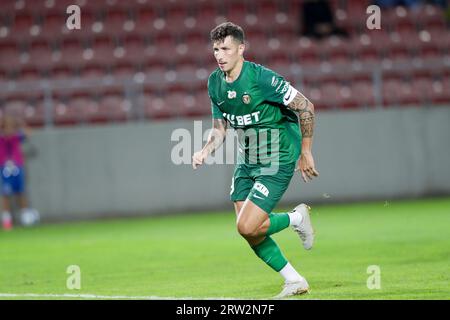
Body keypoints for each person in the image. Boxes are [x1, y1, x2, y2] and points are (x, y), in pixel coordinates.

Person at [192, 22, 319, 298]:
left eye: (225, 48)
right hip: (248, 159)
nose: (219, 55)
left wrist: (306, 151)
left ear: (241, 48)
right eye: (215, 49)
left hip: (278, 157)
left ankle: (296, 217)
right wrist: (204, 150)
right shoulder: (215, 82)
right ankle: (294, 280)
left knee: (246, 225)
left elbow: (305, 106)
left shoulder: (262, 79)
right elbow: (220, 128)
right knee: (249, 230)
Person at [0, 115, 37, 230]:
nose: (9, 130)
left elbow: (30, 132)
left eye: (11, 127)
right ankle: (6, 220)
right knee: (5, 194)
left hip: (17, 166)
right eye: (6, 127)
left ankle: (26, 217)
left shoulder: (17, 137)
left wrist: (21, 124)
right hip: (4, 167)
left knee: (21, 192)